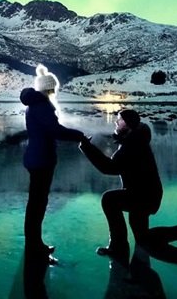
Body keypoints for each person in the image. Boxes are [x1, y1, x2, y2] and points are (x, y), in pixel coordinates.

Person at [79, 108, 164, 262]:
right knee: (142, 237)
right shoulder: (135, 140)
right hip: (146, 194)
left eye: (120, 120)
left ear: (128, 125)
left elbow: (109, 168)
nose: (116, 123)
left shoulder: (132, 144)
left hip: (143, 196)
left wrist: (86, 146)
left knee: (109, 200)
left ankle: (118, 247)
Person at [20, 64, 86, 256]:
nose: (54, 90)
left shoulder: (36, 105)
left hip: (36, 156)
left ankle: (33, 243)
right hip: (41, 159)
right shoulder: (42, 106)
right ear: (48, 88)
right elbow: (55, 130)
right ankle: (34, 245)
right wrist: (79, 135)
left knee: (36, 202)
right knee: (37, 203)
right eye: (53, 87)